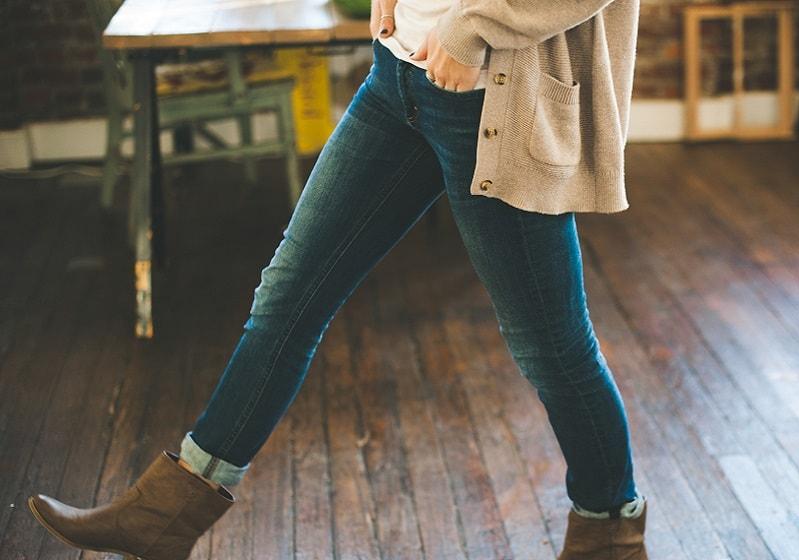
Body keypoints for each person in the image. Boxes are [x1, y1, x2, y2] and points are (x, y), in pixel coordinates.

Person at [28, 0, 647, 558]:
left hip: (491, 102)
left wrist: (472, 27)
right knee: (287, 297)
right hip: (395, 79)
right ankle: (166, 516)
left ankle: (609, 531)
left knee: (552, 349)